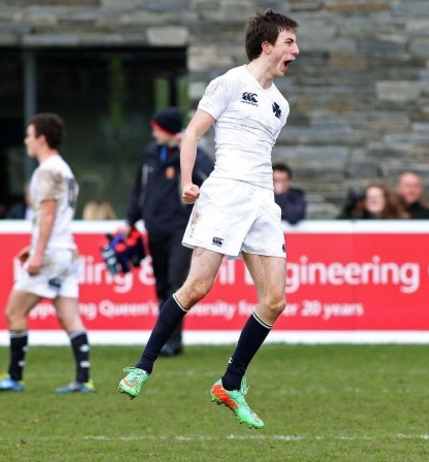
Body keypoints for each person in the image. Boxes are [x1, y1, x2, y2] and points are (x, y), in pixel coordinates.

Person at [117, 9, 299, 429]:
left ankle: (230, 383)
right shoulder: (230, 82)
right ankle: (142, 367)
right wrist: (186, 180)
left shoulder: (280, 105)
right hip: (225, 194)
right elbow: (193, 133)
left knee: (275, 300)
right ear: (267, 45)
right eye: (289, 42)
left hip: (262, 201)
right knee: (197, 286)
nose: (296, 50)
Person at [0, 112, 95, 394]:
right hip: (68, 250)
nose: (26, 141)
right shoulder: (64, 169)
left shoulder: (46, 170)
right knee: (69, 315)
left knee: (14, 311)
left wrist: (38, 253)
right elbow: (59, 215)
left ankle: (14, 377)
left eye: (29, 135)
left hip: (53, 253)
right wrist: (35, 246)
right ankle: (84, 379)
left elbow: (48, 212)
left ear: (41, 139)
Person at [123, 107, 214, 357]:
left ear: (168, 131)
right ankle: (166, 338)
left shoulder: (190, 153)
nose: (154, 134)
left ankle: (172, 342)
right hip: (154, 228)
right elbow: (138, 190)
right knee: (161, 286)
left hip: (180, 230)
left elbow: (211, 177)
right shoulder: (151, 154)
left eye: (157, 129)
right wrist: (130, 220)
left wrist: (188, 144)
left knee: (176, 284)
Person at [339, 183, 406, 219]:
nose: (373, 199)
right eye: (370, 197)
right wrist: (348, 209)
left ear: (385, 199)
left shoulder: (397, 220)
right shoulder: (358, 219)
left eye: (377, 196)